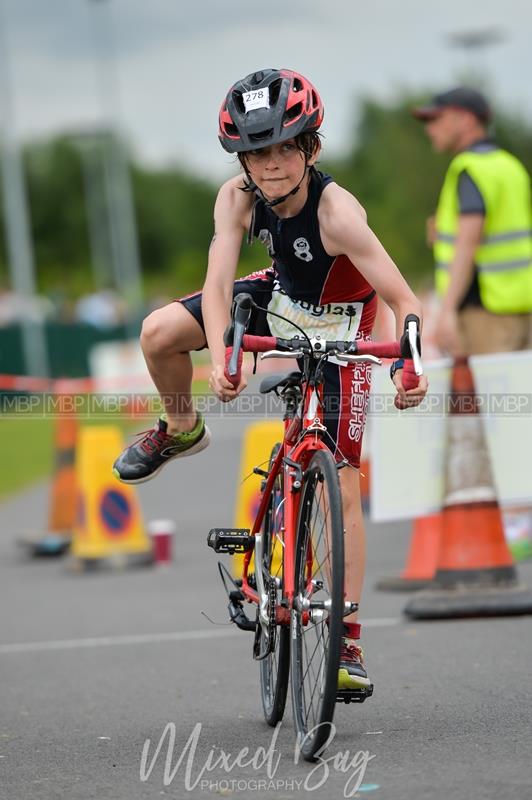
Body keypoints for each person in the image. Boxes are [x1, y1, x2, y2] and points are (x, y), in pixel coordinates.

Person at [113, 68, 428, 690]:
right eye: (258, 152)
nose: (273, 164)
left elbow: (403, 298)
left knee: (341, 481)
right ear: (242, 158)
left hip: (345, 320)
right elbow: (216, 281)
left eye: (287, 147)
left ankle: (346, 643)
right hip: (282, 295)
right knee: (157, 333)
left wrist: (409, 359)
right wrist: (223, 355)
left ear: (311, 146)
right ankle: (180, 427)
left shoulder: (337, 212)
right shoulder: (235, 197)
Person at [412, 87, 532, 356]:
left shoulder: (470, 168)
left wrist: (447, 310)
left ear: (466, 120)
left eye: (436, 119)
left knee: (496, 398)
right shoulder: (510, 166)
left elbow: (469, 241)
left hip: (485, 314)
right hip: (522, 304)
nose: (430, 129)